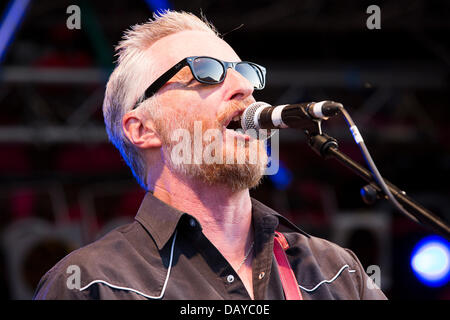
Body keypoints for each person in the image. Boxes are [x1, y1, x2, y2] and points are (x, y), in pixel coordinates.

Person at [33, 10, 387, 300]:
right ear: (142, 129)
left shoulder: (338, 273)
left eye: (245, 73)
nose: (244, 88)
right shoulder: (92, 284)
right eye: (205, 72)